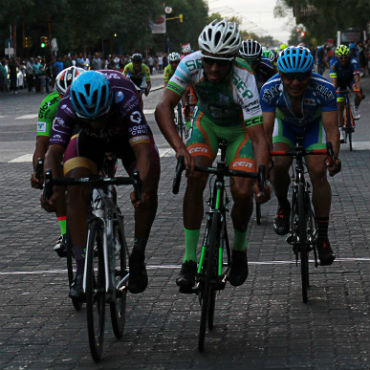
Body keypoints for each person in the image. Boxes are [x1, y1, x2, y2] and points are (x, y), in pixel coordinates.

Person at [155, 19, 269, 290]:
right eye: (209, 61)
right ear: (201, 56)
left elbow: (258, 135)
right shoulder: (190, 64)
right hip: (206, 123)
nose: (214, 68)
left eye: (222, 63)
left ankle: (239, 251)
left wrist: (260, 174)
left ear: (233, 59)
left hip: (239, 131)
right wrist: (181, 150)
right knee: (195, 177)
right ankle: (189, 260)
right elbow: (163, 108)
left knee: (242, 191)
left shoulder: (245, 77)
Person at [43, 70, 160, 299]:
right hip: (88, 144)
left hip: (126, 139)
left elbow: (142, 152)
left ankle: (138, 254)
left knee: (148, 185)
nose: (95, 124)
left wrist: (141, 186)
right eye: (89, 120)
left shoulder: (125, 96)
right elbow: (53, 151)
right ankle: (82, 270)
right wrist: (53, 187)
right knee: (74, 188)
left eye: (100, 117)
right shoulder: (66, 103)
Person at [260, 46, 341, 266]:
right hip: (285, 126)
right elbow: (266, 130)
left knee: (317, 170)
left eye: (301, 77)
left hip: (313, 127)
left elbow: (332, 128)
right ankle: (283, 205)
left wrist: (333, 156)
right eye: (289, 78)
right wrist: (264, 158)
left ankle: (322, 237)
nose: (295, 83)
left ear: (310, 73)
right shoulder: (269, 89)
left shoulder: (324, 88)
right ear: (280, 75)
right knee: (278, 163)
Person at [31, 66, 85, 256]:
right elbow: (41, 142)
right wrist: (40, 172)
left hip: (89, 134)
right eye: (63, 98)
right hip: (64, 140)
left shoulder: (90, 96)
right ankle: (65, 234)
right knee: (58, 184)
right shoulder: (49, 104)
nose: (67, 103)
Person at [329, 44, 364, 141]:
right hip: (340, 81)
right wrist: (334, 91)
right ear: (337, 57)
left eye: (345, 57)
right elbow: (334, 82)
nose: (343, 59)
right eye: (341, 57)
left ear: (349, 56)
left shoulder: (353, 61)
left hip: (350, 80)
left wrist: (357, 89)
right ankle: (340, 130)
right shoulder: (333, 62)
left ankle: (356, 108)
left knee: (359, 92)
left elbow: (356, 77)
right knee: (339, 105)